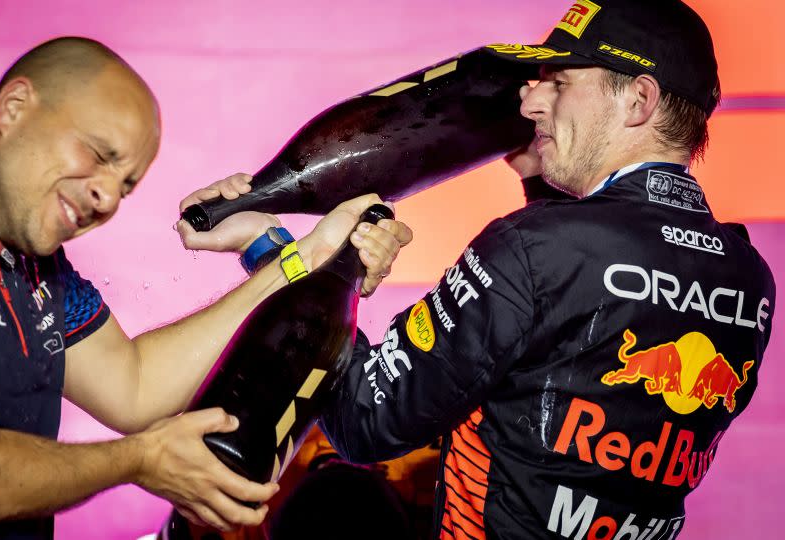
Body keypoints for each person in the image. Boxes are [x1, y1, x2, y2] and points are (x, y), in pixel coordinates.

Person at [0, 37, 412, 539]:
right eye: (98, 155)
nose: (106, 197)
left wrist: (300, 254)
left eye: (125, 185)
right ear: (14, 107)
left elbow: (132, 385)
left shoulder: (26, 257)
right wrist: (140, 461)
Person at [319, 1, 776, 539]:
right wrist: (543, 181)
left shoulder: (531, 249)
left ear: (639, 100)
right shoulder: (749, 273)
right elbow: (575, 332)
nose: (529, 100)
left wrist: (297, 261)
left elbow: (365, 420)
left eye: (558, 82)